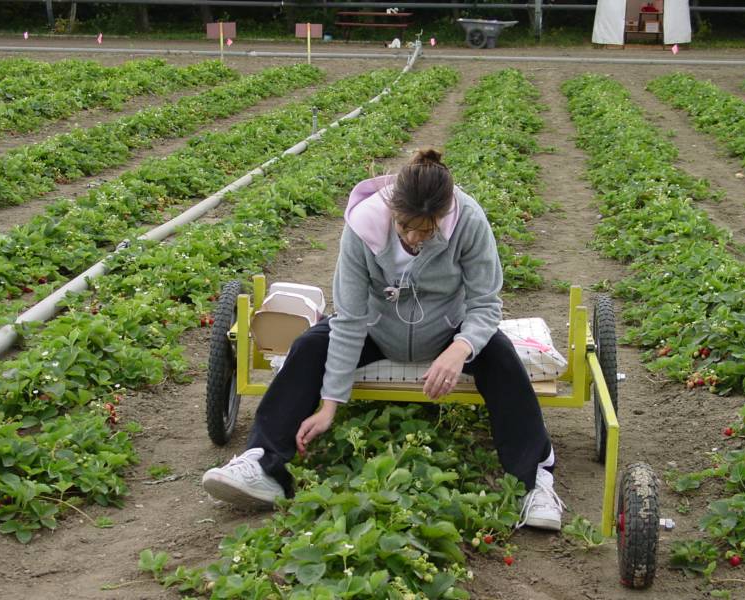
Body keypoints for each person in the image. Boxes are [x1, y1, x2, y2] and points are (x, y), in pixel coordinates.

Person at [202, 149, 564, 530]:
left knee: (502, 358)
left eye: (427, 230)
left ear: (444, 215)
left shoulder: (468, 221)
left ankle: (533, 483)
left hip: (447, 329)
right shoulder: (362, 225)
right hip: (378, 328)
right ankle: (264, 465)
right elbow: (351, 319)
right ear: (392, 207)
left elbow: (486, 303)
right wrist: (329, 404)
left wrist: (461, 348)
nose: (413, 237)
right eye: (405, 225)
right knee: (309, 347)